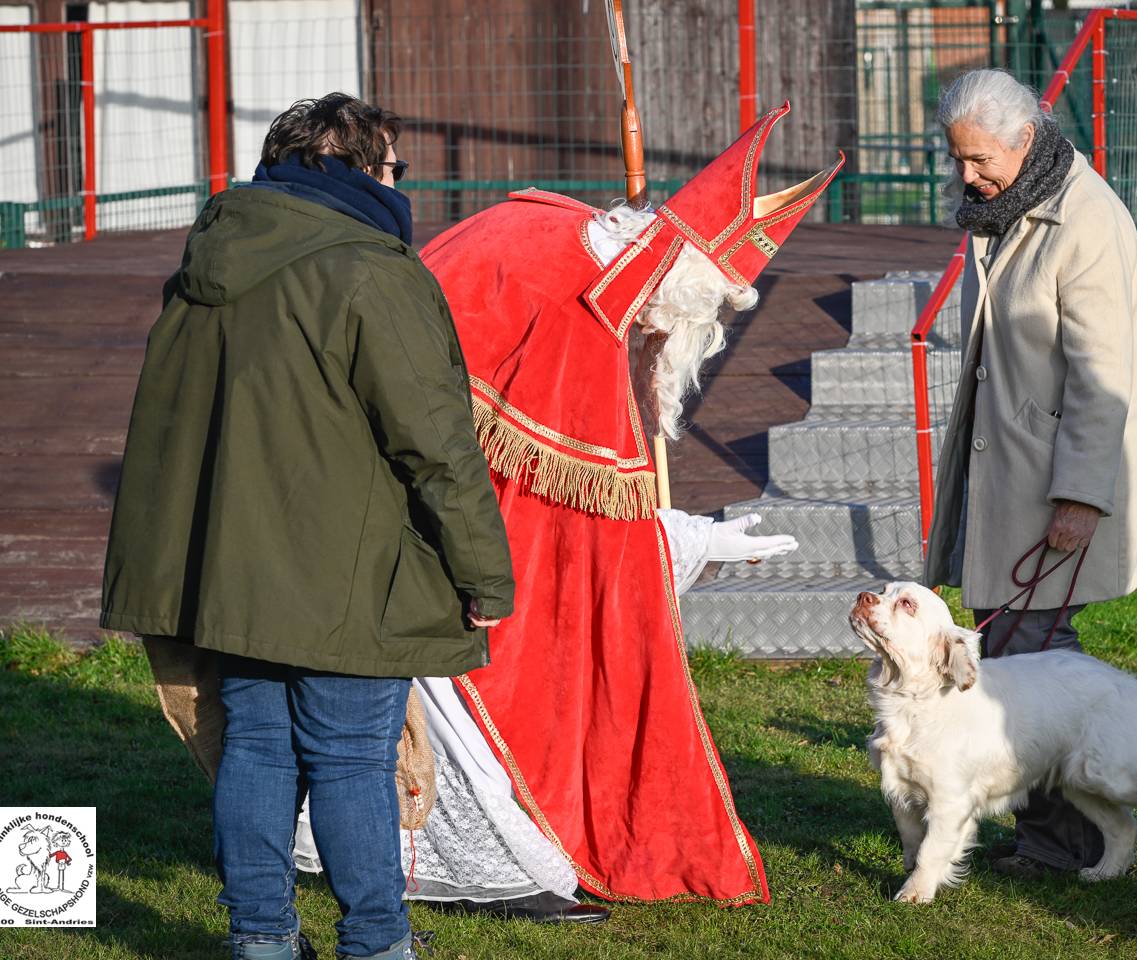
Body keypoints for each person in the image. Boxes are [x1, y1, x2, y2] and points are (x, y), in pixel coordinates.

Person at [295, 103, 841, 917]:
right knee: (459, 701)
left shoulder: (564, 243)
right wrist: (684, 542)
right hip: (422, 535)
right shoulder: (575, 307)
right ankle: (483, 870)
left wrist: (685, 536)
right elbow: (576, 528)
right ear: (684, 283)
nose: (699, 335)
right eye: (711, 313)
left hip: (388, 498)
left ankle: (332, 848)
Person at [100, 93, 515, 960]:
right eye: (394, 167)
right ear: (351, 165)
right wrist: (484, 575)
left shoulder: (208, 261)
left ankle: (261, 940)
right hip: (347, 572)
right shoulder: (372, 271)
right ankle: (376, 943)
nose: (402, 183)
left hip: (230, 571)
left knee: (254, 748)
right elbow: (436, 444)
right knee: (352, 760)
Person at [923, 69, 1137, 878]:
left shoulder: (1086, 220)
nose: (966, 175)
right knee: (1013, 655)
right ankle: (1064, 832)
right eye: (957, 158)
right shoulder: (1009, 203)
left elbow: (1107, 377)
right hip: (1016, 474)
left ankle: (1071, 840)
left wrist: (1081, 497)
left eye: (979, 159)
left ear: (1025, 141)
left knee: (1025, 667)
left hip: (1053, 484)